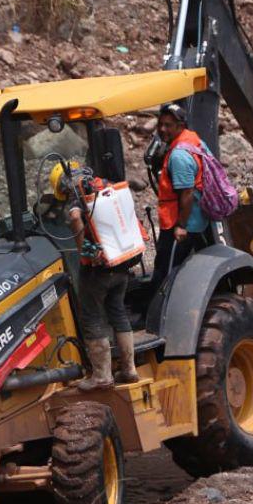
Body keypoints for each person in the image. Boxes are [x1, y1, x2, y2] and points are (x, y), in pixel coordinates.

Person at [50, 160, 140, 392]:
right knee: (118, 312)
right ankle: (129, 369)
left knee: (92, 317)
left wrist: (86, 251)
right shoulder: (104, 185)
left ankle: (101, 376)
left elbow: (74, 219)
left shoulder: (76, 196)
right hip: (121, 263)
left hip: (97, 270)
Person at [149, 102, 209, 300]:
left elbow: (186, 193)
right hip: (198, 219)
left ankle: (159, 312)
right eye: (161, 124)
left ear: (180, 126)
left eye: (168, 125)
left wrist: (181, 226)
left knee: (166, 270)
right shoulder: (193, 140)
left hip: (182, 223)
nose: (163, 129)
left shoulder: (179, 156)